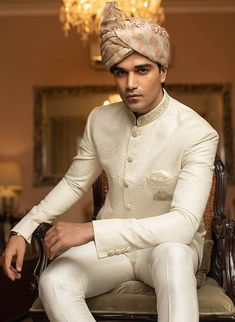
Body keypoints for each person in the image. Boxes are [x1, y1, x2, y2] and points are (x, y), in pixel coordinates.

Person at [2, 3, 218, 322]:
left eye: (141, 70)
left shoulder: (197, 132)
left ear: (163, 72)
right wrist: (23, 229)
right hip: (112, 254)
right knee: (54, 280)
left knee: (173, 255)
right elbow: (75, 182)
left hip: (166, 248)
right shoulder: (100, 120)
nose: (130, 83)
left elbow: (184, 223)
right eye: (121, 72)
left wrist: (92, 231)